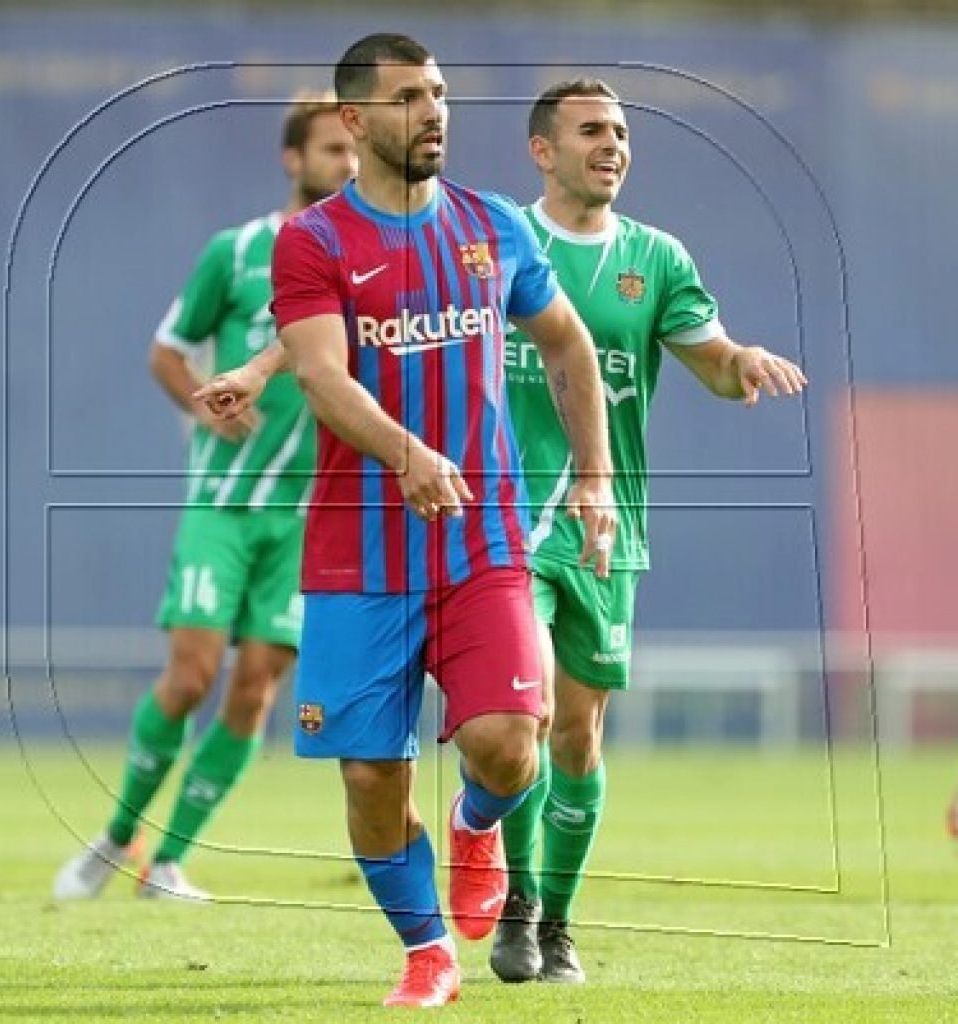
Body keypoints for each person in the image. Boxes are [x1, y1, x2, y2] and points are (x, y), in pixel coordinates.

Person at [193, 34, 614, 1009]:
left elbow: (566, 346)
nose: (433, 113)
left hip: (482, 543)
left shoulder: (492, 225)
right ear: (354, 121)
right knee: (372, 784)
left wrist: (592, 476)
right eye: (407, 98)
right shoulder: (316, 241)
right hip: (357, 557)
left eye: (439, 94)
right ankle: (427, 954)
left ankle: (474, 825)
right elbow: (322, 374)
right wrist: (406, 452)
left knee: (514, 739)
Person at [492, 78, 809, 984]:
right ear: (542, 150)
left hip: (607, 524)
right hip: (508, 518)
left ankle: (556, 921)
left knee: (578, 738)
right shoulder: (500, 240)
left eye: (623, 132)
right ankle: (514, 901)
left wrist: (739, 359)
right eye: (592, 130)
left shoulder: (656, 257)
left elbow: (710, 364)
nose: (614, 144)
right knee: (524, 712)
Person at [52, 94, 357, 902]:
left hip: (306, 519)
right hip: (222, 504)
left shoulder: (369, 260)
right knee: (189, 676)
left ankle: (168, 861)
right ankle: (116, 837)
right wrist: (202, 400)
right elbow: (167, 351)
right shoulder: (238, 251)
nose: (347, 165)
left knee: (256, 686)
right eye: (331, 149)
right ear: (294, 159)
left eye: (353, 151)